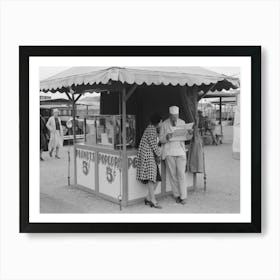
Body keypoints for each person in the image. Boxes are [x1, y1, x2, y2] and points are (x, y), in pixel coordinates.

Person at [159, 106, 187, 205]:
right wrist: (166, 137)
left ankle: (183, 196)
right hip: (169, 152)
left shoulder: (182, 123)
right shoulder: (164, 124)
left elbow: (186, 137)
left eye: (176, 116)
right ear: (170, 115)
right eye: (173, 117)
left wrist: (189, 134)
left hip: (180, 151)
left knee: (181, 174)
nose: (175, 118)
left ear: (178, 115)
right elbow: (161, 139)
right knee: (173, 175)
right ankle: (177, 195)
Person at [136, 113, 163, 209]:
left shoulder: (151, 128)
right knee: (152, 179)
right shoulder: (151, 129)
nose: (162, 123)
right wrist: (159, 155)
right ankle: (153, 200)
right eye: (161, 121)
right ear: (159, 122)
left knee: (156, 178)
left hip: (149, 156)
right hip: (148, 156)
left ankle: (148, 198)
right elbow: (153, 145)